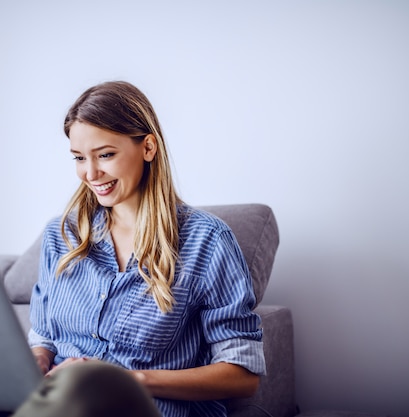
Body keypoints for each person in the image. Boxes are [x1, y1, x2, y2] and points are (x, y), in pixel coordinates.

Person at [22, 81, 265, 417]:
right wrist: (37, 361)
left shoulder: (206, 241)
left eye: (106, 155)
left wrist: (128, 380)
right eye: (79, 158)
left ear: (148, 147)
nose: (90, 174)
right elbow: (44, 337)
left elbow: (243, 375)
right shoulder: (61, 234)